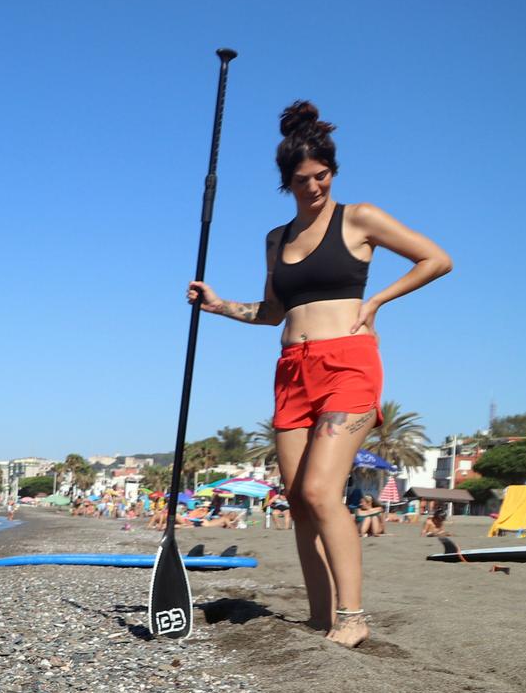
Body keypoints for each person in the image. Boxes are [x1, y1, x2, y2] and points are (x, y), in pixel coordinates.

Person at [189, 102, 450, 646]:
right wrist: (217, 306)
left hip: (348, 365)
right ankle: (319, 614)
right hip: (291, 369)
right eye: (302, 180)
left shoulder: (359, 218)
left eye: (322, 176)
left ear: (332, 172)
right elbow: (271, 313)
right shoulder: (276, 239)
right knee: (298, 497)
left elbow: (435, 259)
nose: (314, 187)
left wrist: (378, 299)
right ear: (286, 182)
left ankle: (352, 616)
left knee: (320, 490)